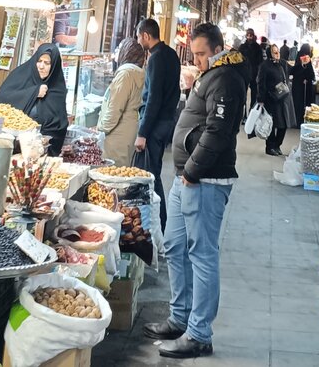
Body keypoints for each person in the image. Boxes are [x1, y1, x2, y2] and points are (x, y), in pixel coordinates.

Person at [145, 22, 246, 359]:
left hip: (205, 180)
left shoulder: (226, 78)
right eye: (195, 54)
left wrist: (192, 170)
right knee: (175, 246)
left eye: (202, 54)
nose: (197, 60)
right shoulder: (211, 74)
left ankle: (199, 334)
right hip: (186, 177)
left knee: (202, 254)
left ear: (218, 49)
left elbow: (217, 131)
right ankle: (181, 317)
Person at [134, 18, 181, 230]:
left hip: (154, 126)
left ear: (146, 35)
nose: (138, 41)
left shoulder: (155, 58)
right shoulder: (171, 54)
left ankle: (157, 225)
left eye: (139, 37)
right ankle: (156, 223)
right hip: (166, 122)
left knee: (150, 176)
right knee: (153, 172)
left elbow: (153, 98)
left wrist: (143, 132)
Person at [0, 44, 68, 156]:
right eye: (39, 61)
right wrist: (34, 93)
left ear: (54, 66)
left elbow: (59, 126)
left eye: (47, 63)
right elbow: (2, 99)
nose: (41, 66)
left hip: (42, 153)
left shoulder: (57, 89)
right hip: (10, 148)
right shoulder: (20, 75)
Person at [97, 38, 146, 165]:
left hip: (117, 134)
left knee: (111, 170)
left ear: (127, 51)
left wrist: (102, 128)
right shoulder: (138, 73)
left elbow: (115, 108)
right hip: (129, 130)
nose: (116, 51)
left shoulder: (125, 74)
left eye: (119, 48)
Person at [258, 42, 295, 155]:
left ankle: (277, 145)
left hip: (283, 98)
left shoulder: (282, 63)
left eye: (278, 52)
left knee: (283, 124)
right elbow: (261, 83)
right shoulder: (265, 66)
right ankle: (270, 147)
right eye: (275, 52)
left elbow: (293, 70)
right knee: (271, 123)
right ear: (270, 53)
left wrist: (304, 65)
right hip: (270, 99)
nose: (277, 54)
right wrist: (261, 99)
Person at [238, 28, 264, 110]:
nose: (249, 37)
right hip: (244, 73)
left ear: (253, 36)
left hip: (254, 73)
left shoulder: (257, 47)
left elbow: (260, 62)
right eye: (248, 35)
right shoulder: (242, 47)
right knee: (243, 94)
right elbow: (239, 60)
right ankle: (244, 112)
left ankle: (251, 111)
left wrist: (258, 74)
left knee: (254, 94)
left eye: (251, 35)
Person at [290, 43, 315, 125]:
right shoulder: (305, 57)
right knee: (303, 103)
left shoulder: (299, 56)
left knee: (297, 103)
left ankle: (296, 120)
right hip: (303, 85)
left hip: (297, 84)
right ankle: (301, 120)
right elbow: (308, 72)